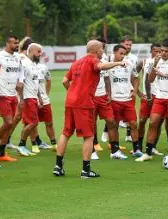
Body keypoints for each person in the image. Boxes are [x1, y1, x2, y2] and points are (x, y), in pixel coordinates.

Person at [53, 40, 125, 179]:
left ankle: (58, 166)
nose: (102, 51)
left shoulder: (76, 62)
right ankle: (86, 170)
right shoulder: (93, 60)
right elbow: (101, 66)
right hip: (84, 103)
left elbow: (65, 81)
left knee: (66, 133)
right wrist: (118, 63)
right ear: (97, 50)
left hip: (70, 101)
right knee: (89, 136)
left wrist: (73, 93)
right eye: (102, 49)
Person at [136, 39, 168, 162]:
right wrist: (154, 65)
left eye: (166, 51)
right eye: (161, 51)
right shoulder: (156, 61)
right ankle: (148, 152)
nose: (163, 53)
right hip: (159, 98)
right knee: (153, 123)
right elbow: (150, 80)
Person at [108, 45, 143, 158]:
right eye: (120, 53)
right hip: (114, 100)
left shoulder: (129, 64)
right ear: (114, 52)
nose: (122, 56)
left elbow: (136, 78)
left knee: (133, 124)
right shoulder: (108, 66)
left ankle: (137, 149)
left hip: (127, 100)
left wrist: (135, 91)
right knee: (114, 125)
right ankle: (115, 150)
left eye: (124, 54)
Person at [0, 36, 21, 162]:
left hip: (13, 94)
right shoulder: (0, 56)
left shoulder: (17, 57)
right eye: (14, 42)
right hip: (2, 94)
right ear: (7, 43)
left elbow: (19, 72)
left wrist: (20, 82)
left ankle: (2, 153)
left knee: (10, 124)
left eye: (17, 42)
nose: (17, 44)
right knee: (8, 122)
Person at [16, 43, 43, 157]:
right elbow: (20, 82)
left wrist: (40, 97)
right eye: (38, 52)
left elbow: (35, 82)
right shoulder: (25, 64)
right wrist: (22, 98)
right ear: (31, 51)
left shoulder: (34, 65)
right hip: (27, 98)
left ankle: (23, 145)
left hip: (33, 97)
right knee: (33, 122)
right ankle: (21, 145)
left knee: (30, 122)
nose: (40, 54)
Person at [137, 43, 163, 156]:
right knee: (142, 121)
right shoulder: (144, 62)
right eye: (155, 51)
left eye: (159, 51)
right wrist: (138, 92)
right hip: (147, 98)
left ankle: (153, 147)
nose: (157, 54)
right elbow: (132, 75)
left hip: (160, 97)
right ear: (151, 51)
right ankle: (138, 147)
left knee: (157, 123)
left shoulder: (164, 63)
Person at [34, 59, 57, 151]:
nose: (39, 54)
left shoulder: (43, 67)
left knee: (49, 122)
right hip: (31, 99)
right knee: (32, 124)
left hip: (44, 100)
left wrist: (46, 94)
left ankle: (54, 144)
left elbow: (48, 80)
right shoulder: (26, 67)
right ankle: (35, 144)